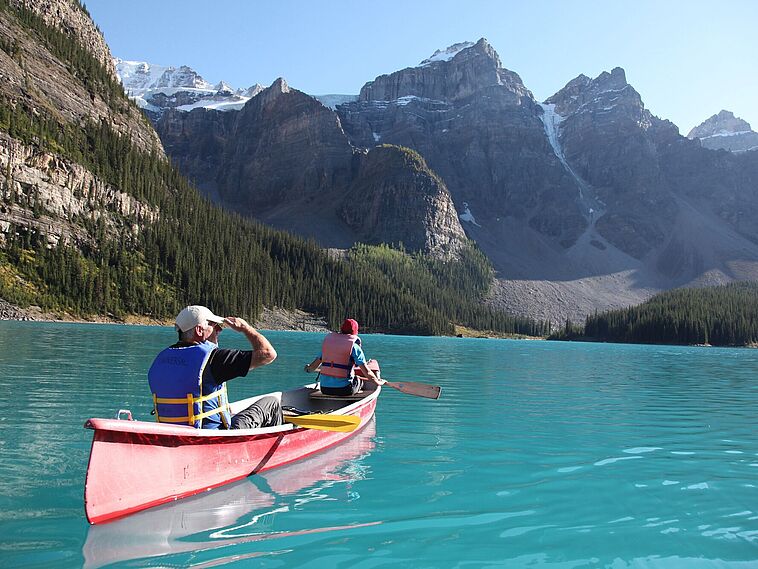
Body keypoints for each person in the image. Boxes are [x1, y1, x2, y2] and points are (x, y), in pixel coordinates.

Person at [148, 305, 282, 430]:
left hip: (175, 433)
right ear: (199, 330)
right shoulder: (215, 358)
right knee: (271, 403)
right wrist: (245, 328)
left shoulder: (160, 359)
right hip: (213, 435)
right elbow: (268, 354)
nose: (219, 329)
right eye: (214, 325)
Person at [304, 318, 385, 396]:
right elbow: (367, 373)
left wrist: (308, 368)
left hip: (325, 389)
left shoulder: (328, 345)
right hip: (345, 389)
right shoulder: (354, 347)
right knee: (359, 380)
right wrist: (378, 382)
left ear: (341, 329)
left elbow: (312, 368)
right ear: (355, 332)